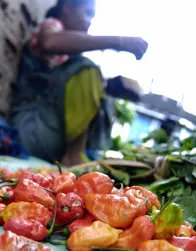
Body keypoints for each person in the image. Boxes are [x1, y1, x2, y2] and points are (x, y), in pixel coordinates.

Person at [9, 0, 148, 166]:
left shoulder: (66, 59)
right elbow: (49, 42)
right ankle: (74, 156)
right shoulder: (52, 25)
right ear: (68, 7)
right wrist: (117, 41)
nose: (89, 21)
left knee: (98, 85)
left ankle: (77, 154)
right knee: (87, 69)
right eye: (87, 13)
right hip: (32, 131)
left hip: (51, 135)